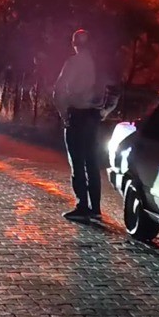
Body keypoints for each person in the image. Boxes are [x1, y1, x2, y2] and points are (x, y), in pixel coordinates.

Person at [52, 29, 106, 221]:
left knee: (77, 162)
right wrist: (103, 112)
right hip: (93, 117)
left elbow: (58, 90)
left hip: (77, 115)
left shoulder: (72, 63)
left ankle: (82, 205)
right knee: (92, 162)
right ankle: (96, 208)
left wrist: (64, 113)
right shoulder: (99, 65)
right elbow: (113, 90)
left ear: (74, 43)